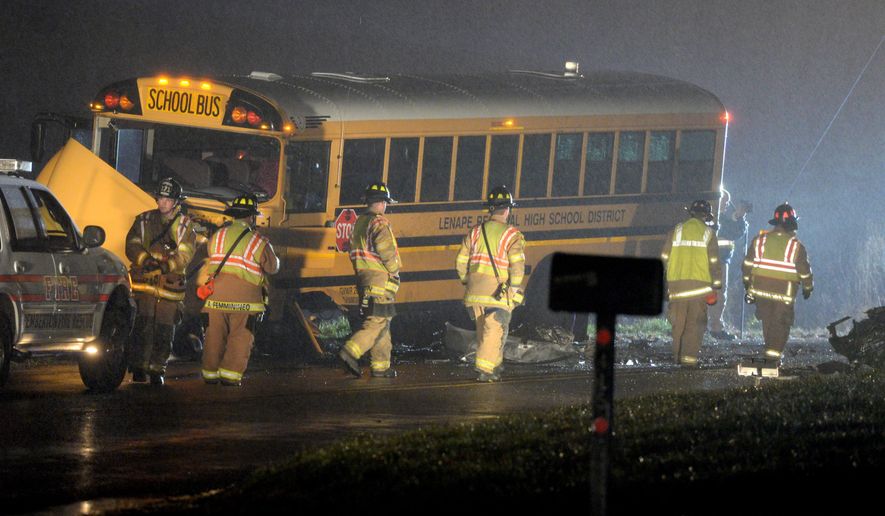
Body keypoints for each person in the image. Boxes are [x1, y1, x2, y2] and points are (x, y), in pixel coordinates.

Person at [199, 194, 279, 386]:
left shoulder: (217, 236)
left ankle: (209, 375)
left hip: (215, 297)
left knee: (214, 336)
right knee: (240, 338)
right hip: (246, 301)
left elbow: (211, 256)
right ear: (252, 217)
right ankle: (230, 377)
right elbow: (272, 268)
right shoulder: (258, 240)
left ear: (233, 215)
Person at [126, 177, 197, 385]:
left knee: (165, 328)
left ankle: (157, 369)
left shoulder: (185, 225)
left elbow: (186, 253)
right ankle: (139, 367)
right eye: (160, 198)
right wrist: (144, 260)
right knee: (142, 326)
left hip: (169, 286)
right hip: (144, 285)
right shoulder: (143, 220)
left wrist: (167, 266)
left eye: (167, 199)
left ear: (176, 202)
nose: (162, 202)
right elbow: (132, 244)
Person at [456, 185, 526, 382]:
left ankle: (494, 367)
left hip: (474, 293)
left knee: (485, 333)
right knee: (494, 330)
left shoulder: (475, 232)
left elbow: (460, 262)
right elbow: (518, 266)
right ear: (506, 210)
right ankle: (485, 370)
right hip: (498, 293)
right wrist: (513, 289)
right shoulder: (511, 235)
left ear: (491, 209)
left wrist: (466, 281)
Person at [338, 182, 401, 378]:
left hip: (364, 279)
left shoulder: (359, 223)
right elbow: (387, 251)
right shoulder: (379, 223)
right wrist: (395, 272)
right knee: (377, 322)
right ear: (382, 203)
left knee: (381, 321)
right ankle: (350, 352)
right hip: (380, 279)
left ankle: (380, 366)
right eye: (385, 203)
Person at [742, 202, 813, 363]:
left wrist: (747, 283)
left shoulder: (759, 240)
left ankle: (770, 352)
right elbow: (804, 270)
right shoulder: (796, 246)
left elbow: (747, 265)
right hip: (784, 292)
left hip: (760, 290)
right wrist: (808, 287)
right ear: (792, 223)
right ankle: (773, 358)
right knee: (781, 324)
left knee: (768, 322)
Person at [660, 200, 722, 367]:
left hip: (677, 288)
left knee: (678, 325)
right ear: (707, 216)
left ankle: (677, 359)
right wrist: (716, 285)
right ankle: (689, 363)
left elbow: (664, 258)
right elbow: (714, 262)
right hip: (699, 289)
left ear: (691, 213)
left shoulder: (676, 231)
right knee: (694, 326)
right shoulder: (709, 234)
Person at [709, 189, 750, 340]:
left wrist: (738, 217)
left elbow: (734, 231)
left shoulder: (718, 219)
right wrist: (737, 218)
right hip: (717, 261)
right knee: (718, 293)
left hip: (719, 260)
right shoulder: (715, 220)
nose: (726, 205)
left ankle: (713, 326)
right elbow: (731, 231)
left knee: (717, 293)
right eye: (724, 202)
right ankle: (714, 327)